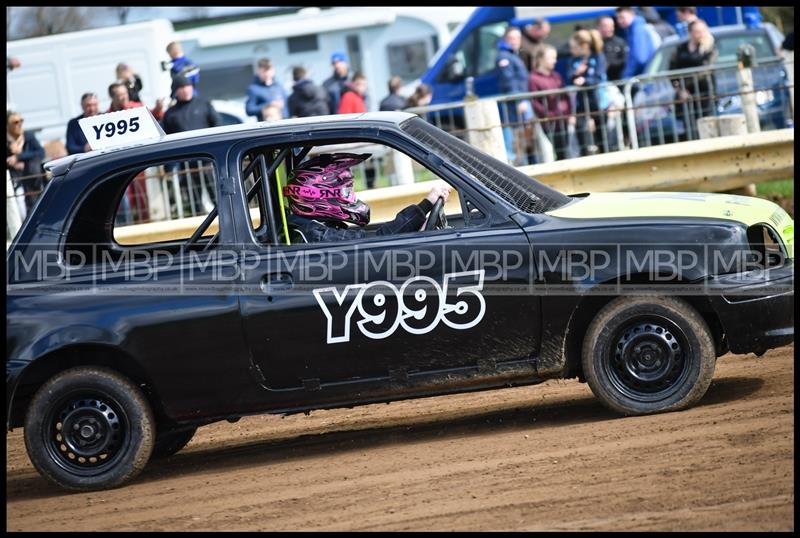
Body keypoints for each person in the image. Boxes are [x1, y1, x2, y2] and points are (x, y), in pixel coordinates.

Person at [284, 153, 452, 243]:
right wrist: (426, 204)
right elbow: (379, 241)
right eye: (346, 191)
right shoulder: (319, 235)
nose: (351, 197)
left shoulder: (313, 228)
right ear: (321, 195)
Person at [162, 75, 222, 215]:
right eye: (181, 87)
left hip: (209, 160)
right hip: (187, 165)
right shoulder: (170, 114)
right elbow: (166, 140)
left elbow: (218, 124)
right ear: (175, 91)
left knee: (218, 197)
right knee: (193, 202)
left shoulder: (203, 104)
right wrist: (168, 166)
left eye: (187, 86)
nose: (185, 90)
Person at [669, 19, 717, 138]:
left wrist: (686, 85)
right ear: (690, 32)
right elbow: (671, 71)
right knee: (689, 130)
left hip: (705, 94)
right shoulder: (680, 49)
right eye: (697, 31)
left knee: (707, 128)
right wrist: (681, 91)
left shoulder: (709, 47)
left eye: (703, 31)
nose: (701, 34)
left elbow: (706, 69)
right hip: (685, 97)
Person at [496, 26, 533, 165]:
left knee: (523, 136)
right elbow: (509, 81)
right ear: (505, 38)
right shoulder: (504, 56)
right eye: (512, 38)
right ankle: (519, 165)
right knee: (517, 136)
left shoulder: (512, 54)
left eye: (518, 37)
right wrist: (520, 101)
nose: (515, 41)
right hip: (515, 104)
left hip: (519, 101)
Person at [567, 29, 608, 156]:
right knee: (580, 128)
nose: (572, 50)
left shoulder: (598, 57)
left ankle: (605, 154)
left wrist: (585, 80)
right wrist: (577, 73)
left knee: (601, 131)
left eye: (575, 47)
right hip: (581, 101)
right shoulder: (575, 60)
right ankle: (584, 154)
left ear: (584, 45)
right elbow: (569, 77)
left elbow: (599, 77)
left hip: (597, 99)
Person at [528, 45, 572, 161]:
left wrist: (568, 112)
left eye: (555, 58)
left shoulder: (556, 76)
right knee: (553, 151)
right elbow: (536, 103)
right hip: (548, 122)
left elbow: (565, 96)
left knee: (565, 150)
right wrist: (550, 114)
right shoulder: (533, 78)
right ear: (541, 59)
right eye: (551, 58)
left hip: (563, 120)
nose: (555, 61)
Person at [6, 111, 45, 216]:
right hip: (14, 179)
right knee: (20, 208)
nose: (19, 124)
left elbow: (41, 153)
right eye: (15, 122)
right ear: (8, 125)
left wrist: (19, 157)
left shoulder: (28, 136)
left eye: (21, 121)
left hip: (31, 178)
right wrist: (11, 163)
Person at [616, 6, 660, 79]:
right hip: (646, 76)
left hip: (644, 78)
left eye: (622, 17)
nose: (619, 21)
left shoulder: (637, 30)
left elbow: (640, 58)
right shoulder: (634, 29)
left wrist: (626, 75)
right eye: (617, 18)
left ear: (632, 14)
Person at [597, 15, 628, 82]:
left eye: (612, 26)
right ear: (598, 27)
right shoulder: (594, 44)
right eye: (606, 26)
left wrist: (611, 64)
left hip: (618, 80)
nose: (610, 29)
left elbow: (626, 61)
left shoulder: (620, 42)